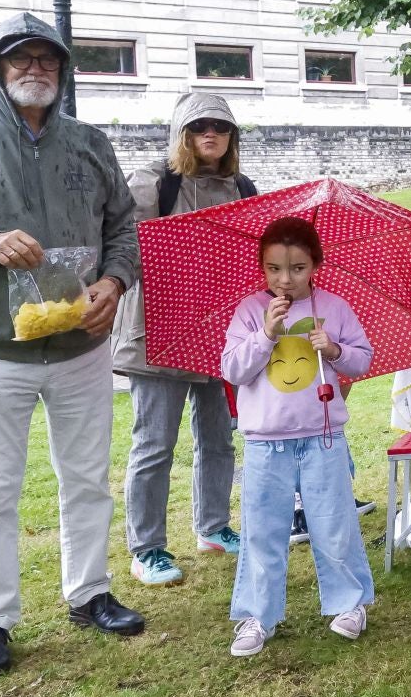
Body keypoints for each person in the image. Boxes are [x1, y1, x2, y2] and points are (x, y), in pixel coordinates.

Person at [0, 13, 143, 677]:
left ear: (62, 71)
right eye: (21, 58)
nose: (35, 68)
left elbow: (124, 227)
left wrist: (116, 281)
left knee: (88, 480)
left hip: (80, 348)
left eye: (47, 59)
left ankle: (89, 593)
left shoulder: (90, 143)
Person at [113, 92, 257, 587]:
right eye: (199, 127)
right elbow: (125, 248)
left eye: (221, 126)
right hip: (157, 333)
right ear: (182, 134)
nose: (210, 134)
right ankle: (147, 546)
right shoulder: (153, 182)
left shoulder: (241, 186)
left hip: (220, 335)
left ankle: (214, 527)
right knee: (154, 444)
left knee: (218, 440)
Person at [221, 217, 375, 656]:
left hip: (323, 437)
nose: (285, 279)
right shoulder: (251, 311)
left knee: (333, 522)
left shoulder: (336, 308)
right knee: (262, 530)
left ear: (316, 266)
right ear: (263, 269)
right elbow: (233, 370)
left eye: (297, 268)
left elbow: (361, 361)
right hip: (264, 442)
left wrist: (335, 349)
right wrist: (265, 334)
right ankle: (258, 614)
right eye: (273, 269)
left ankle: (349, 603)